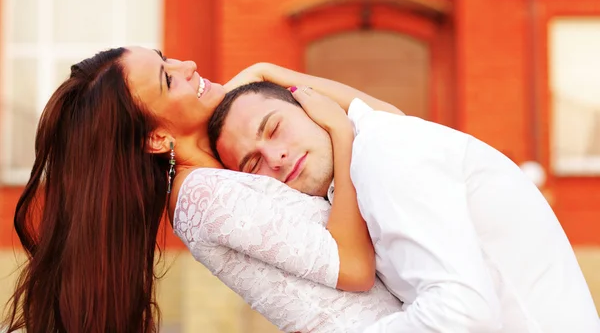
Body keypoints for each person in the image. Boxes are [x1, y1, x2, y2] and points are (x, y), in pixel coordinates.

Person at [5, 46, 406, 333]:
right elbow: (354, 269)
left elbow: (390, 124)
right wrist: (340, 132)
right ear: (158, 138)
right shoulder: (205, 197)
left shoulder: (236, 156)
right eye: (168, 78)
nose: (189, 65)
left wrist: (268, 73)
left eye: (167, 59)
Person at [210, 80, 600, 332]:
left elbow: (462, 313)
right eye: (253, 163)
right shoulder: (361, 164)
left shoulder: (384, 154)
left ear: (311, 107)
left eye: (275, 128)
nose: (275, 156)